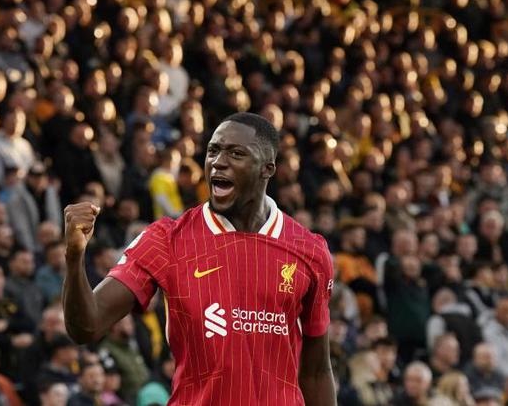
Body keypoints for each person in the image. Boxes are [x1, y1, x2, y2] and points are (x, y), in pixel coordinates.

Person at [63, 113, 336, 404]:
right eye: (213, 151)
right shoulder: (166, 240)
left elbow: (317, 372)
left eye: (236, 153)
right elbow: (86, 327)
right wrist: (75, 256)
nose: (218, 162)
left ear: (266, 169)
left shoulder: (309, 250)